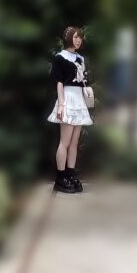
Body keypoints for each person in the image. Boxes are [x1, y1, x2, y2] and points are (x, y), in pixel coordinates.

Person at [47, 26, 93, 193]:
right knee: (64, 142)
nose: (78, 40)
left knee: (74, 143)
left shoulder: (80, 59)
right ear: (68, 39)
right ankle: (60, 178)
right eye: (75, 37)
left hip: (79, 99)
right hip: (67, 98)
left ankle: (70, 174)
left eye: (80, 37)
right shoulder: (60, 57)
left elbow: (82, 81)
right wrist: (61, 104)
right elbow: (59, 82)